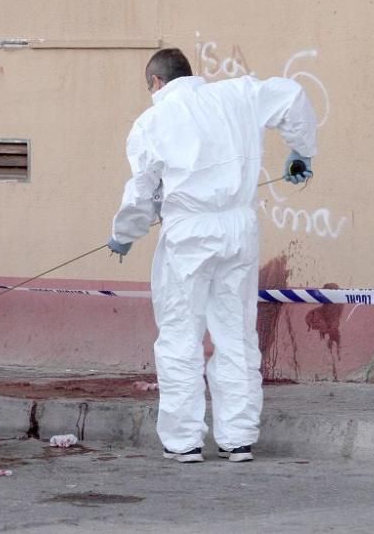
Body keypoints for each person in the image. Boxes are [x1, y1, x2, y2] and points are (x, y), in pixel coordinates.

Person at [107, 48, 317, 463]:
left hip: (188, 233)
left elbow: (142, 190)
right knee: (236, 333)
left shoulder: (153, 120)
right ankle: (238, 437)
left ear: (156, 83)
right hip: (238, 228)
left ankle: (183, 442)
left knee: (180, 335)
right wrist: (301, 150)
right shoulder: (237, 95)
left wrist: (124, 233)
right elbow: (292, 95)